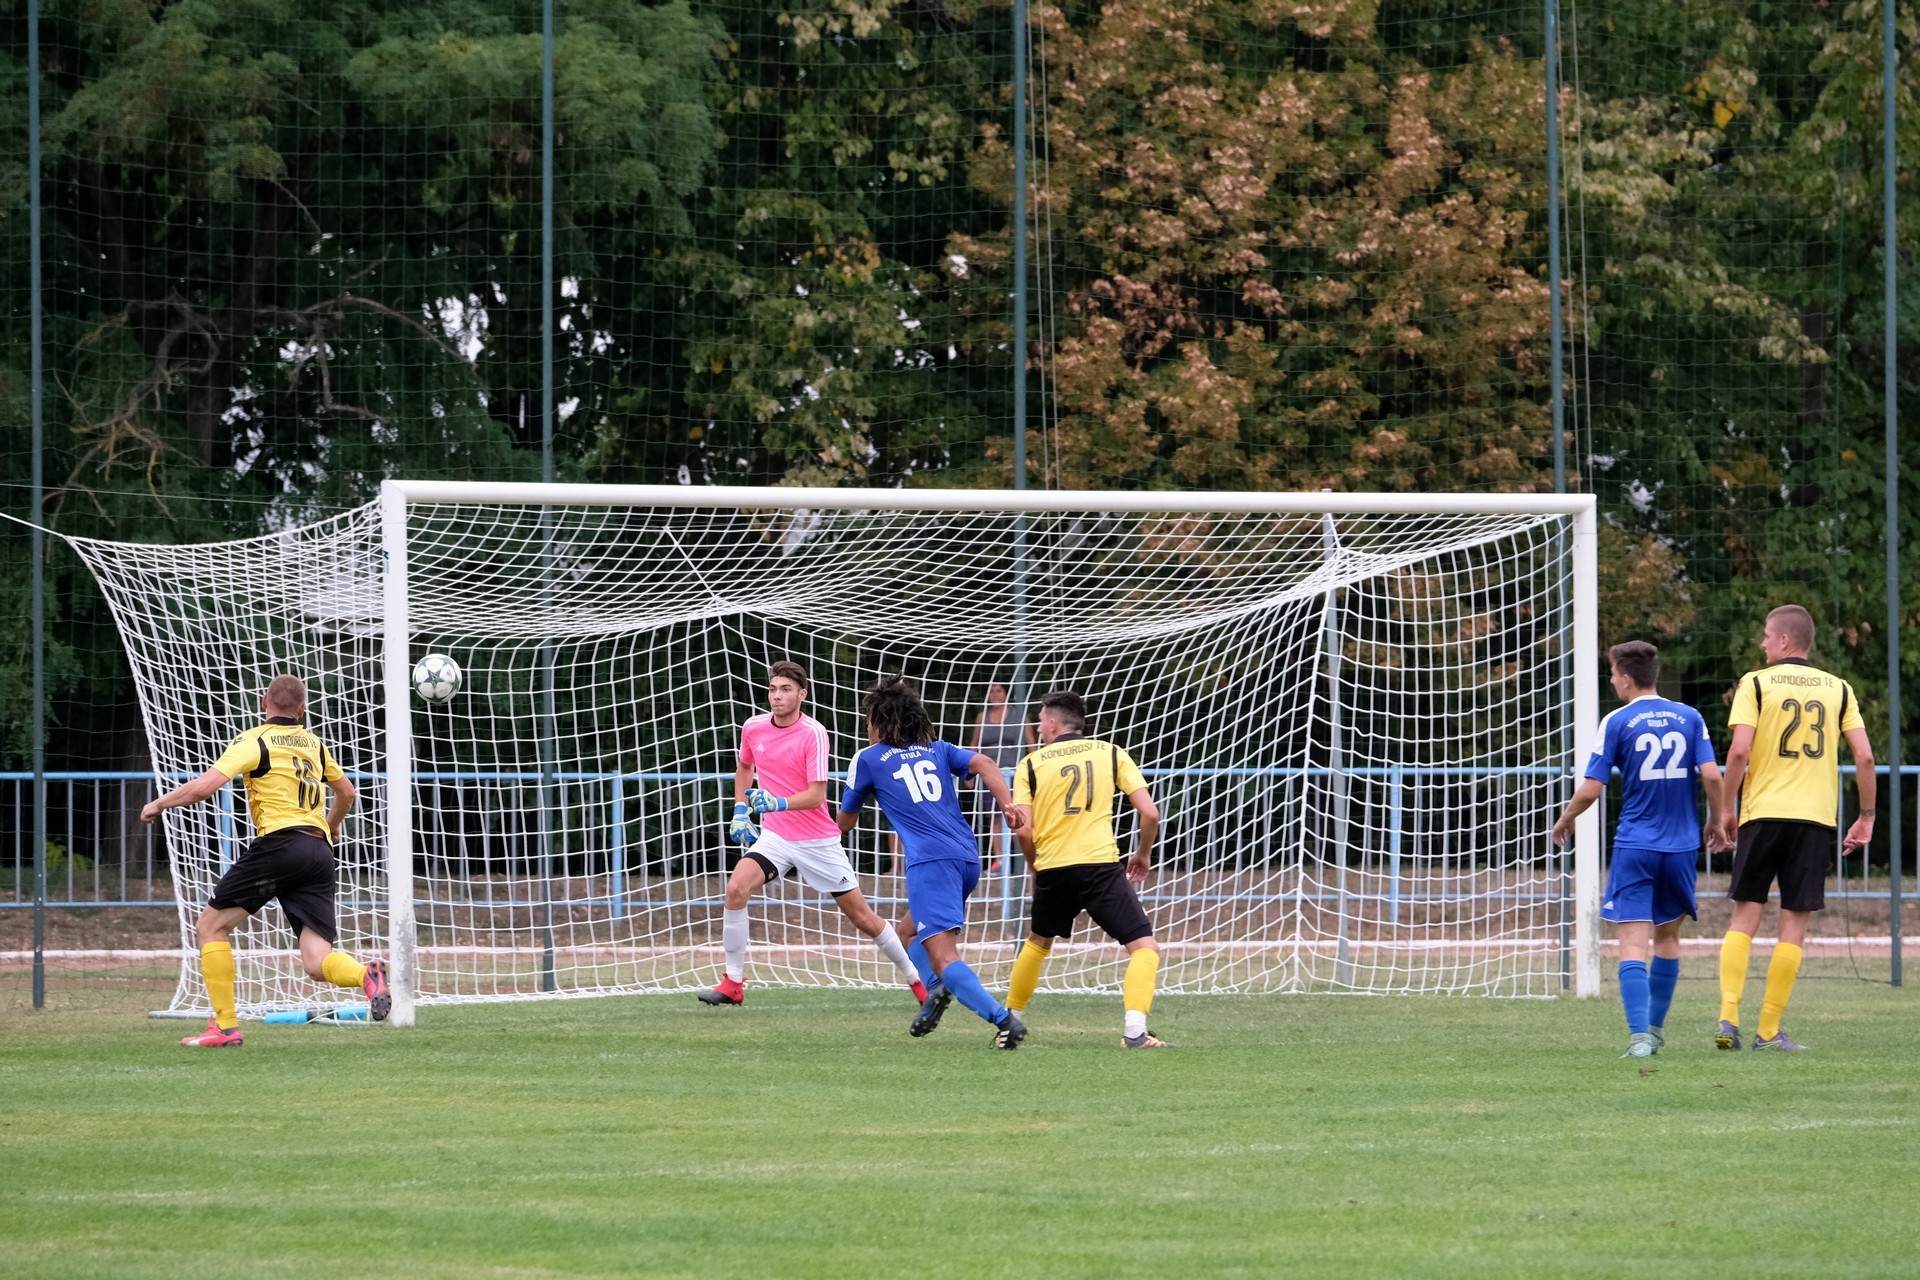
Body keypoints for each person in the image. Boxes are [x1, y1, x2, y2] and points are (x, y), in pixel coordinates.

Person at [140, 675, 390, 1046]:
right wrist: (332, 826)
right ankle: (365, 976)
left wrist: (159, 803)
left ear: (263, 702)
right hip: (318, 851)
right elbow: (347, 792)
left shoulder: (255, 740)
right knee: (316, 961)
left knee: (210, 926)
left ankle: (225, 1028)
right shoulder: (314, 744)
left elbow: (204, 788)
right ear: (302, 709)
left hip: (280, 844)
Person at [699, 660, 927, 1006]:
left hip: (817, 841)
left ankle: (916, 982)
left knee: (863, 918)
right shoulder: (753, 727)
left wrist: (775, 803)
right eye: (773, 689)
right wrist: (740, 810)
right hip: (776, 837)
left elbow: (816, 795)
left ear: (802, 694)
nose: (777, 696)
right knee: (735, 889)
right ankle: (733, 983)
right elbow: (745, 766)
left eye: (785, 689)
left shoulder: (814, 733)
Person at [1712, 605, 1875, 1052]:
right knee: (1793, 924)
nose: (1762, 642)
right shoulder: (1839, 689)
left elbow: (1739, 752)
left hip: (1762, 813)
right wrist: (1866, 816)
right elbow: (1864, 757)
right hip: (1814, 819)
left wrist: (1726, 809)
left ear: (1784, 640)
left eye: (1767, 635)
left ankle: (1728, 1019)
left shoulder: (1755, 683)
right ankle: (1768, 1031)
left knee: (1745, 915)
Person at [1550, 641, 1726, 1058]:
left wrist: (1566, 818)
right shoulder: (1690, 716)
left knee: (1632, 943)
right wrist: (1717, 820)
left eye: (1613, 674)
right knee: (1668, 938)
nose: (1612, 681)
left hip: (1636, 845)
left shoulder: (1617, 721)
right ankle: (1656, 1030)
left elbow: (1592, 788)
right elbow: (1711, 776)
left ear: (1626, 679)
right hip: (1681, 846)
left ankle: (1640, 1038)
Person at [838, 675, 1032, 1048]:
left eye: (869, 721)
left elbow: (845, 823)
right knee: (908, 933)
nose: (867, 728)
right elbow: (985, 762)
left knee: (943, 955)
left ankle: (1005, 1022)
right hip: (966, 858)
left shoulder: (869, 758)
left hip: (931, 863)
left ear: (880, 721)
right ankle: (935, 993)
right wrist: (1008, 805)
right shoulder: (937, 748)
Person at [1003, 690, 1168, 1048]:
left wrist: (1035, 866)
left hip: (1053, 867)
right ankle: (1135, 1032)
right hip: (1099, 865)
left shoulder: (1030, 764)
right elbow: (1150, 813)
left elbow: (1024, 831)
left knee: (1037, 942)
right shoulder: (1110, 753)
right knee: (1144, 948)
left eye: (1040, 721)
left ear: (1052, 723)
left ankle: (1008, 1024)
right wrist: (1142, 854)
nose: (1039, 728)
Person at [969, 681, 1035, 870]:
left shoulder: (1019, 716)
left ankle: (1022, 860)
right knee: (994, 817)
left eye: (999, 690)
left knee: (1018, 815)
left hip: (1015, 774)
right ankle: (999, 860)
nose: (995, 694)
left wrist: (1036, 771)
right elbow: (974, 744)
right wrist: (968, 770)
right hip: (990, 775)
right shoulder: (982, 717)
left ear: (1006, 693)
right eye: (991, 691)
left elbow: (1031, 744)